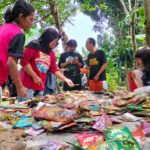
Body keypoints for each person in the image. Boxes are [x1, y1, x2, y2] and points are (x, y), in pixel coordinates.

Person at [19, 28, 74, 101]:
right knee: (25, 110)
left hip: (40, 88)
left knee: (37, 110)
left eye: (56, 42)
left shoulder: (51, 53)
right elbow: (23, 61)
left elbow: (54, 69)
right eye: (54, 41)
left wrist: (66, 79)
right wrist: (34, 76)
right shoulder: (34, 45)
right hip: (27, 86)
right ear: (47, 38)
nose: (55, 44)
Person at [0, 0, 35, 98]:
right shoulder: (18, 33)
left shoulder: (3, 27)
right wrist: (19, 87)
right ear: (21, 16)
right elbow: (11, 62)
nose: (31, 23)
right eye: (30, 19)